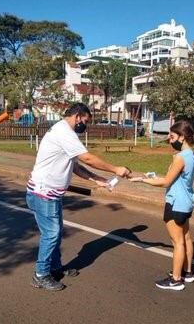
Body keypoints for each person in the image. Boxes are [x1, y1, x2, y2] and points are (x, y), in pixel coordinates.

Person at [26, 103, 131, 291]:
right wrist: (116, 169)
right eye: (85, 121)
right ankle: (40, 275)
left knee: (55, 233)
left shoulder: (64, 132)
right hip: (44, 193)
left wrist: (97, 179)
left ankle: (55, 268)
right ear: (77, 115)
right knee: (51, 234)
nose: (85, 125)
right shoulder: (64, 132)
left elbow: (74, 166)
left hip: (50, 193)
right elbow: (87, 158)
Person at [130, 120, 194, 291]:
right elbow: (175, 178)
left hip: (176, 203)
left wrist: (143, 180)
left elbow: (166, 182)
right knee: (186, 238)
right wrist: (152, 176)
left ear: (182, 137)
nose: (169, 139)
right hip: (187, 202)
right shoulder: (193, 154)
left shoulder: (180, 157)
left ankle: (176, 280)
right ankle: (187, 273)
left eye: (172, 136)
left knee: (177, 242)